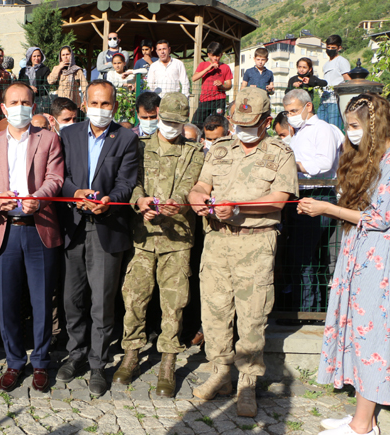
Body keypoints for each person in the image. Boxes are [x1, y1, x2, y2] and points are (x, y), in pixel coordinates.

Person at [187, 87, 298, 417]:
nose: (242, 127)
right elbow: (200, 187)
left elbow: (279, 199)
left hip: (256, 242)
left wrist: (237, 207)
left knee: (252, 317)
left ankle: (247, 382)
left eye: (250, 122)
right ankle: (219, 372)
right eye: (237, 121)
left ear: (266, 121)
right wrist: (199, 201)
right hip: (218, 241)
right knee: (215, 312)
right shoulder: (219, 149)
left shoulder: (280, 153)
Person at [296, 93, 389, 435]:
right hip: (363, 253)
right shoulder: (375, 157)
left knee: (372, 338)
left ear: (372, 124)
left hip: (378, 260)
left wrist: (328, 209)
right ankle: (364, 419)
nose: (349, 132)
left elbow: (380, 218)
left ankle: (362, 426)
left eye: (353, 126)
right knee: (361, 332)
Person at [0, 82, 64, 393]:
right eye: (13, 102)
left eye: (25, 101)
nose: (19, 107)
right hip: (4, 231)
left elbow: (56, 177)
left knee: (41, 302)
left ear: (34, 106)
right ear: (4, 108)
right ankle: (14, 361)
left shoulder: (49, 139)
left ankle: (41, 361)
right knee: (8, 303)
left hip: (39, 228)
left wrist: (39, 198)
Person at [115, 92, 204, 394]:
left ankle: (168, 361)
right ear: (156, 117)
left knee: (174, 303)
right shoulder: (138, 148)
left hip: (177, 239)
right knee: (134, 299)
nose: (170, 127)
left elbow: (189, 185)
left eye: (176, 123)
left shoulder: (194, 152)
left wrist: (176, 204)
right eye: (165, 121)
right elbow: (131, 180)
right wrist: (140, 201)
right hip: (143, 237)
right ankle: (131, 355)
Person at [57, 79, 138, 397]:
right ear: (84, 105)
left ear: (114, 106)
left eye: (106, 104)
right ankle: (75, 355)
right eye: (94, 103)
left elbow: (127, 181)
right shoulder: (68, 134)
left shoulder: (127, 138)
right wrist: (74, 192)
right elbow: (59, 176)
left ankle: (97, 365)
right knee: (72, 300)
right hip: (75, 226)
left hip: (107, 226)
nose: (100, 109)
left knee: (102, 304)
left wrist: (108, 200)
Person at [282, 89, 343, 312]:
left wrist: (293, 165)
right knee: (303, 256)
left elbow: (324, 164)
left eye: (294, 111)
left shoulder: (322, 129)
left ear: (308, 106)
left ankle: (307, 310)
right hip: (300, 195)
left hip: (317, 194)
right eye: (288, 112)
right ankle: (309, 307)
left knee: (305, 257)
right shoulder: (298, 133)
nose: (291, 115)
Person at [191, 42, 233, 127]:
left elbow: (229, 85)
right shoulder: (203, 65)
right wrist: (208, 68)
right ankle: (200, 138)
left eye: (218, 56)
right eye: (213, 56)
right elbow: (194, 78)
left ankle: (216, 139)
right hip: (205, 99)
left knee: (217, 124)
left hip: (219, 99)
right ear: (209, 55)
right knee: (196, 122)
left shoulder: (225, 67)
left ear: (221, 55)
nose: (215, 58)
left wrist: (221, 85)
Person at [318, 35, 351, 130]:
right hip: (324, 99)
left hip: (335, 100)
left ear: (339, 48)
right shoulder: (326, 64)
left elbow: (347, 80)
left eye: (333, 48)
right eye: (328, 47)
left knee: (334, 128)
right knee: (322, 127)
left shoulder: (342, 61)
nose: (330, 50)